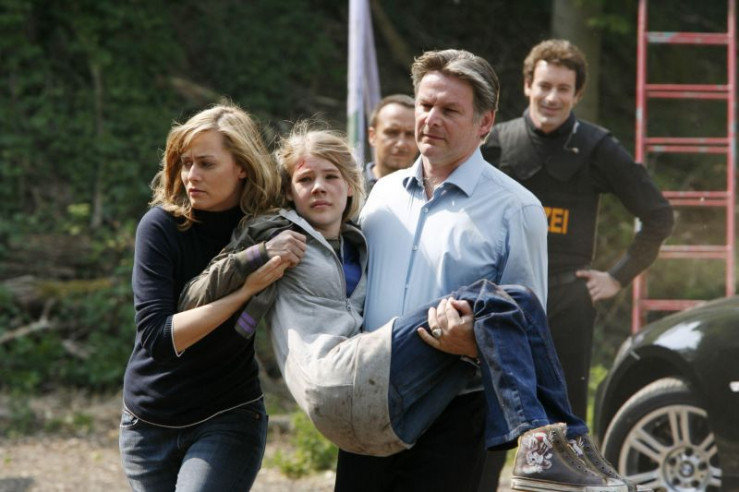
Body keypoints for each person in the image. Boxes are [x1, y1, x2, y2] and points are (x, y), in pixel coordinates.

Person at [178, 123, 631, 492]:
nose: (319, 188)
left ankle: (569, 442)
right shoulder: (275, 231)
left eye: (330, 177)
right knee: (491, 296)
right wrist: (256, 260)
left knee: (520, 301)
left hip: (371, 385)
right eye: (305, 179)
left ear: (350, 185)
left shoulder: (360, 238)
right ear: (289, 191)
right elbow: (194, 297)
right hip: (335, 374)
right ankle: (538, 442)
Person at [334, 48, 550, 492]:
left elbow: (527, 328)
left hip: (453, 411)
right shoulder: (381, 195)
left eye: (449, 110)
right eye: (425, 105)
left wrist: (474, 344)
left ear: (484, 123)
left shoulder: (516, 209)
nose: (431, 119)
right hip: (369, 399)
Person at [482, 39, 675, 420]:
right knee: (490, 415)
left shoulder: (596, 147)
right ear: (527, 85)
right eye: (544, 86)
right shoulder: (495, 143)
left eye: (563, 89)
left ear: (578, 94)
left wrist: (618, 277)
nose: (552, 98)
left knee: (565, 419)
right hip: (501, 295)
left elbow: (659, 216)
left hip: (569, 300)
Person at [119, 103, 304, 491]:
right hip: (147, 425)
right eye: (186, 163)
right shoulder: (160, 226)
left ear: (242, 167)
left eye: (206, 164)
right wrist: (245, 290)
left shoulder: (268, 227)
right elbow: (160, 338)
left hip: (228, 415)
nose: (191, 176)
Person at [364, 94, 418, 191]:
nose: (401, 144)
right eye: (392, 132)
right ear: (372, 136)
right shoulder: (348, 189)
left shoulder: (433, 192)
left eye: (410, 134)